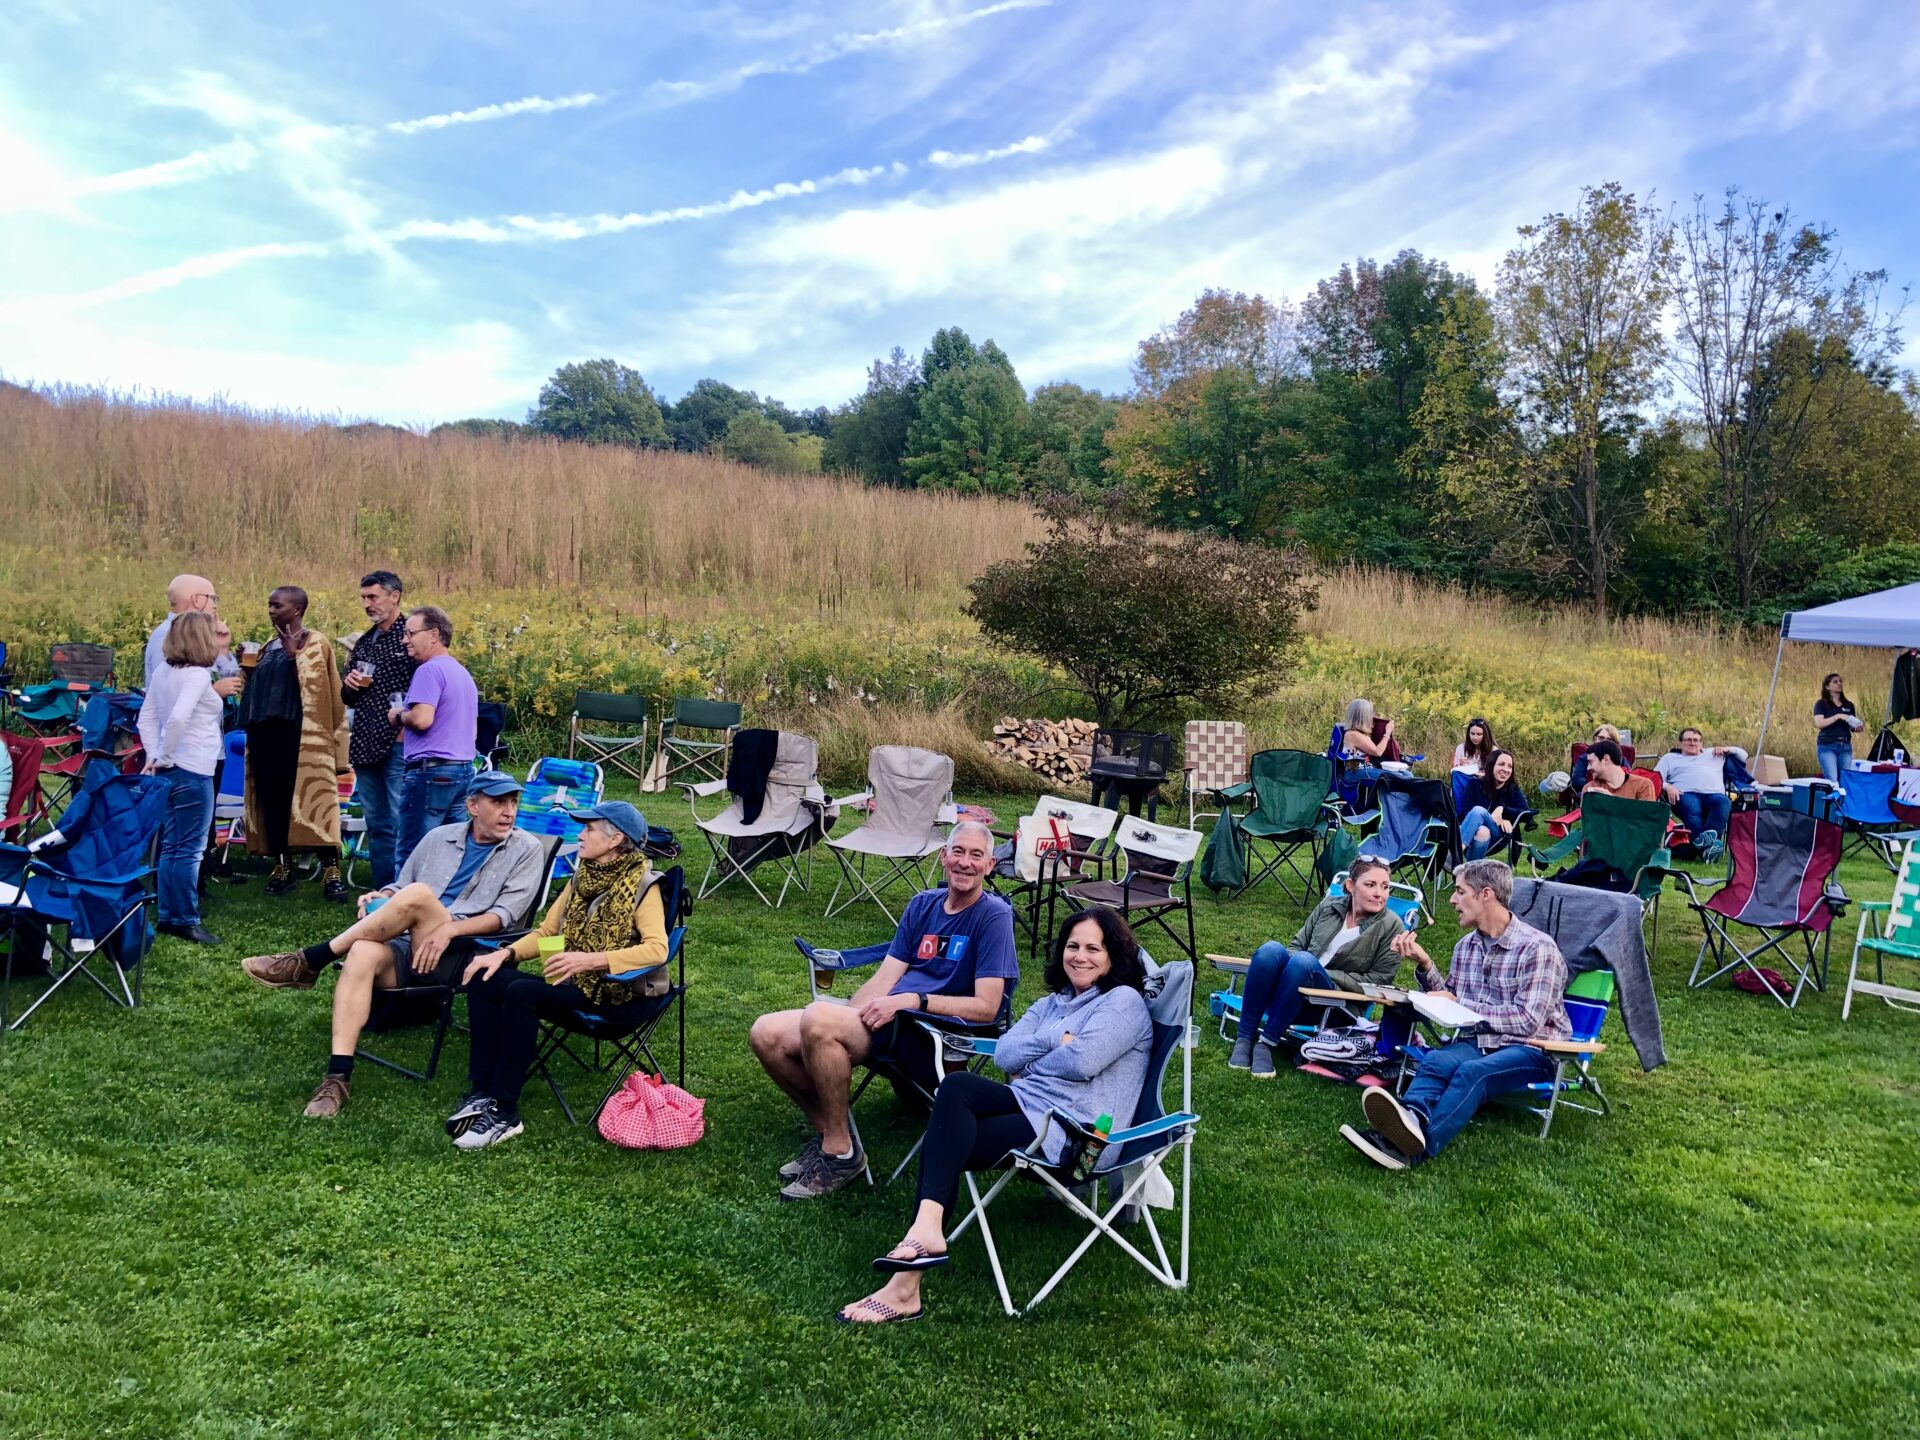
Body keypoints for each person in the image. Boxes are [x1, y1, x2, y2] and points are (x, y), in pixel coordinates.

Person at [836, 906, 1150, 1325]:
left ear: (1114, 956)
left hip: (1076, 1135)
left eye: (1094, 947)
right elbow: (1004, 1053)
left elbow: (1084, 1061)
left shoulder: (1123, 1002)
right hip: (1028, 1106)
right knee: (955, 1091)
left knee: (948, 1130)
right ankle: (921, 1247)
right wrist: (1057, 1038)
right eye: (1073, 946)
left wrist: (1037, 1057)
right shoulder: (1051, 1005)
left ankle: (905, 1282)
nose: (1080, 956)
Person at [238, 771, 547, 1119]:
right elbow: (400, 886)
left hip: (464, 954)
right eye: (498, 802)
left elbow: (504, 917)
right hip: (410, 945)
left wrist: (449, 930)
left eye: (513, 803)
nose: (509, 811)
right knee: (363, 951)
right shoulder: (439, 837)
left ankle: (311, 959)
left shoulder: (526, 849)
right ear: (473, 806)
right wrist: (381, 896)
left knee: (421, 895)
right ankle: (337, 1077)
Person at [749, 820, 1018, 1201]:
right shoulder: (922, 904)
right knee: (766, 1032)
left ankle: (840, 1153)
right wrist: (853, 1014)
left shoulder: (993, 917)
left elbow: (987, 1007)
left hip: (933, 1034)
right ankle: (832, 1132)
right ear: (943, 857)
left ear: (990, 865)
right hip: (892, 1018)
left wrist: (913, 1001)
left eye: (977, 855)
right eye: (958, 851)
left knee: (818, 1019)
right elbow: (886, 976)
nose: (965, 862)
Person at [450, 801, 672, 1150]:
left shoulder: (644, 884)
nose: (579, 835)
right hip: (578, 987)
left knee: (523, 993)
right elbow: (547, 933)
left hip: (620, 998)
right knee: (486, 977)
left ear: (615, 839)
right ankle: (483, 1094)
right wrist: (504, 954)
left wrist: (590, 961)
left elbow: (657, 949)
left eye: (589, 829)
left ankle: (505, 1113)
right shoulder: (583, 877)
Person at [1342, 859, 1569, 1169]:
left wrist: (1462, 1005)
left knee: (1472, 1074)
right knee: (1437, 1060)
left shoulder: (1537, 949)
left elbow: (1527, 1020)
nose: (1452, 900)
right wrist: (1424, 965)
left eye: (1460, 892)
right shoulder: (1466, 946)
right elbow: (1450, 998)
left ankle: (1413, 1150)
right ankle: (1409, 1119)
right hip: (1479, 1042)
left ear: (1486, 895)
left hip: (1534, 1049)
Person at [1228, 856, 1404, 1078]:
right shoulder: (1329, 907)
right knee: (1270, 950)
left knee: (1304, 962)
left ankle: (1266, 1043)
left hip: (1337, 1006)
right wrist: (1292, 971)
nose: (1380, 893)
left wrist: (1318, 972)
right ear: (1351, 886)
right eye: (1370, 885)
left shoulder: (1392, 925)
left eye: (1385, 886)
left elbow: (1379, 981)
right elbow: (1296, 946)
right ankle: (1244, 1037)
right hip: (1292, 989)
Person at [237, 586, 350, 901]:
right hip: (264, 734)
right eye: (269, 604)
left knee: (312, 798)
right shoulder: (268, 645)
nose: (271, 610)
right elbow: (255, 690)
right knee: (273, 801)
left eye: (277, 605)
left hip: (300, 735)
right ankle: (282, 865)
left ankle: (331, 869)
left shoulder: (315, 642)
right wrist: (247, 669)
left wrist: (295, 657)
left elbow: (322, 689)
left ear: (298, 608)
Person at [136, 611, 226, 946]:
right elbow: (176, 719)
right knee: (190, 849)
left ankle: (168, 915)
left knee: (172, 845)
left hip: (169, 767)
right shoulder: (199, 676)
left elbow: (146, 718)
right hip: (193, 767)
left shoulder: (163, 671)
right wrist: (164, 753)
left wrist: (153, 755)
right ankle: (185, 918)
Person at [342, 571, 415, 888]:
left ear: (394, 596)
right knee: (377, 824)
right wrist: (349, 684)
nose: (366, 604)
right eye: (363, 598)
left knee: (402, 821)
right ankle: (382, 890)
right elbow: (349, 698)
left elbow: (431, 687)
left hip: (399, 742)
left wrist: (406, 727)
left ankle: (407, 891)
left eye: (373, 597)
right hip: (364, 741)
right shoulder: (365, 641)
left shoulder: (411, 635)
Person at [393, 605, 478, 864]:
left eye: (410, 633)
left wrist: (398, 714)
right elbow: (472, 732)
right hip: (463, 771)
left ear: (433, 634)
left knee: (414, 855)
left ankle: (405, 903)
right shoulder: (462, 673)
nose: (404, 639)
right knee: (449, 856)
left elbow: (421, 719)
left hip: (430, 772)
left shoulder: (429, 670)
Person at [145, 574, 243, 698]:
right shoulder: (167, 635)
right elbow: (167, 694)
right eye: (213, 598)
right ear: (196, 600)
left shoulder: (199, 632)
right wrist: (214, 692)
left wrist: (222, 649)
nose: (215, 605)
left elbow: (229, 683)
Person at [1654, 727, 1746, 849]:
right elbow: (1655, 778)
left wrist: (1727, 749)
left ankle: (1700, 846)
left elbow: (1744, 755)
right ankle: (1709, 848)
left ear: (1701, 743)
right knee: (1692, 807)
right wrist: (1668, 786)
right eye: (1688, 740)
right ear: (1680, 743)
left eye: (1696, 740)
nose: (1693, 743)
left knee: (1724, 802)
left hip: (1714, 795)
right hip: (1684, 793)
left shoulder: (1714, 753)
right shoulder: (1670, 758)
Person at [1458, 749, 1528, 860]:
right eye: (1501, 764)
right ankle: (1471, 872)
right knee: (1482, 830)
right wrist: (1491, 816)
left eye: (1510, 766)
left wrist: (1503, 811)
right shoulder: (1475, 784)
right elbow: (1469, 813)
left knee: (1478, 810)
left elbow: (1527, 813)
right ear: (1491, 765)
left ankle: (1455, 851)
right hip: (1472, 831)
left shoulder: (1512, 790)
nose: (1506, 769)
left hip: (1497, 835)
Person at [1813, 674, 1862, 787]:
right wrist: (1838, 716)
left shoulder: (1848, 705)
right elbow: (1819, 723)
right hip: (1828, 745)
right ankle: (1830, 804)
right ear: (1827, 687)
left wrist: (1856, 727)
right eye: (1835, 682)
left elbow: (1850, 724)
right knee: (1832, 779)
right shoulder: (1821, 704)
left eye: (1840, 681)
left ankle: (1841, 804)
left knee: (1844, 780)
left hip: (1845, 746)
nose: (1839, 684)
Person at [1580, 739, 1656, 802]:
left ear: (1606, 759)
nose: (1588, 768)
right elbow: (1589, 819)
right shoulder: (1590, 788)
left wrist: (1612, 801)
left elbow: (1645, 818)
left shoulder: (1643, 785)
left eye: (1590, 762)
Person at [1568, 724, 1624, 794]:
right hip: (1591, 794)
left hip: (1616, 795)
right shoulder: (1585, 758)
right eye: (1601, 738)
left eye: (1609, 740)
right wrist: (1601, 784)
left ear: (1615, 743)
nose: (1604, 742)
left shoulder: (1622, 759)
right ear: (1595, 739)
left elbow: (1627, 778)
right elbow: (1577, 781)